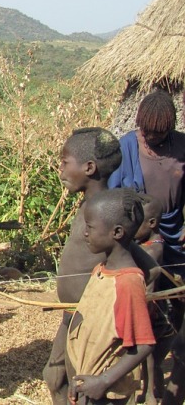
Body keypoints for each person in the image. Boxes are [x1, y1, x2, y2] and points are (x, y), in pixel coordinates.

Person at [42, 127, 158, 405]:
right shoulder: (91, 210)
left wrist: (132, 299)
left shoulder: (105, 217)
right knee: (54, 376)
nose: (60, 170)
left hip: (92, 323)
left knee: (80, 384)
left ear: (89, 167)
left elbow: (148, 266)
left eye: (65, 163)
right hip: (72, 316)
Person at [67, 188, 156, 404]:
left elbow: (144, 345)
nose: (85, 233)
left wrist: (104, 381)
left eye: (90, 227)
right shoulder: (101, 270)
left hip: (106, 394)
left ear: (116, 233)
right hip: (88, 385)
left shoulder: (127, 283)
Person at [109, 89, 185, 331]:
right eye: (146, 130)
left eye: (158, 132)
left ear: (169, 127)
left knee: (175, 296)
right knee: (139, 295)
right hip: (136, 236)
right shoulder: (126, 147)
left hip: (175, 236)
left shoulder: (182, 147)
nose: (150, 136)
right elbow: (112, 197)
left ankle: (172, 344)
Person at [134, 193, 172, 405]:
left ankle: (150, 394)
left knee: (148, 356)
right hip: (143, 305)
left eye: (135, 223)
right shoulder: (144, 242)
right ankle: (146, 391)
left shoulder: (155, 246)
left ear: (152, 223)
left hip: (149, 308)